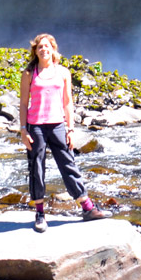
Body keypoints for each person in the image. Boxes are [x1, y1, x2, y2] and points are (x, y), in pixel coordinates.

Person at [19, 32, 111, 232]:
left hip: (58, 125)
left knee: (68, 164)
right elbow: (24, 103)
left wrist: (70, 129)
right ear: (35, 51)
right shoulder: (29, 73)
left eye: (47, 46)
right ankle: (40, 214)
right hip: (36, 126)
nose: (44, 49)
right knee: (37, 168)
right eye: (40, 47)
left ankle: (87, 208)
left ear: (53, 49)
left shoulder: (63, 73)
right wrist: (23, 129)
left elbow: (68, 103)